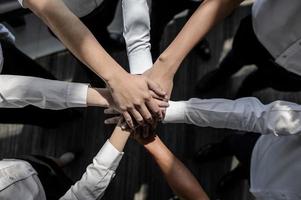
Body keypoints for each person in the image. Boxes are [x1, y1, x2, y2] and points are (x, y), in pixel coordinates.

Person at [17, 0, 168, 128]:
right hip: (73, 14)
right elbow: (49, 10)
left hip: (104, 3)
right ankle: (101, 82)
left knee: (105, 30)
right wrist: (117, 80)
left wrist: (137, 69)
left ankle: (108, 44)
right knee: (93, 68)